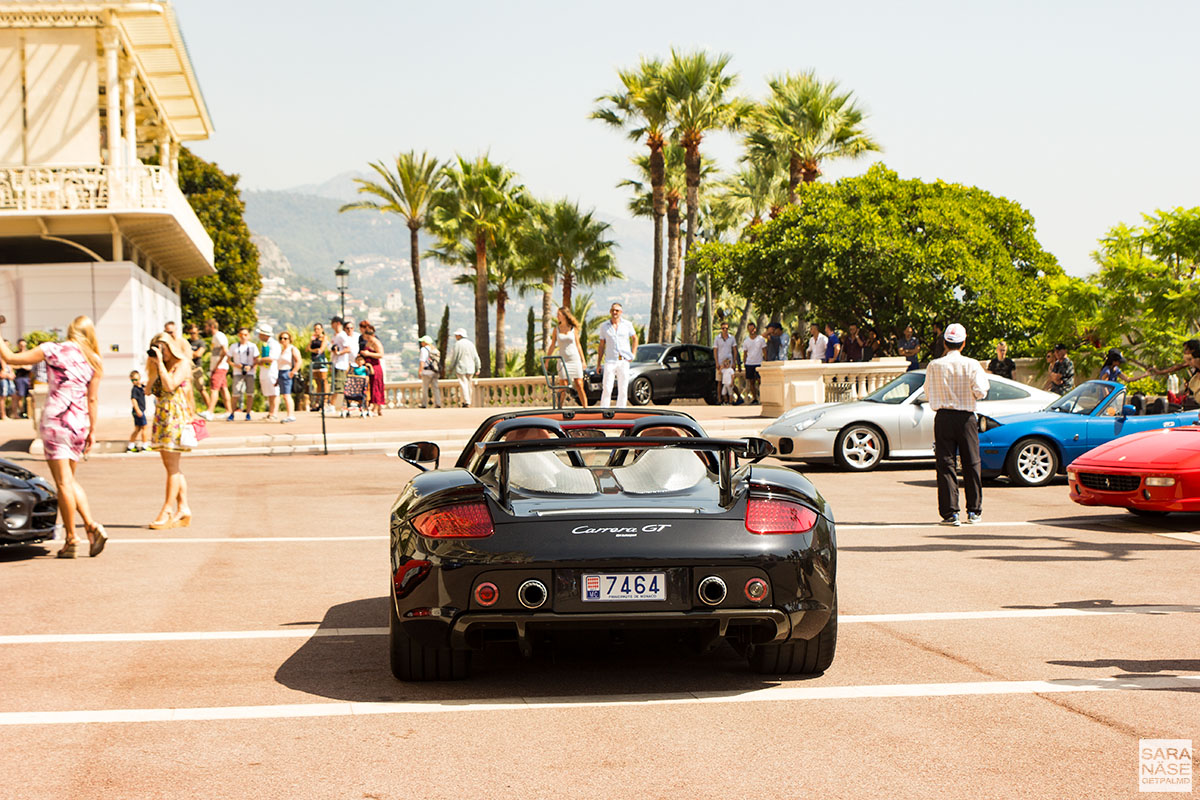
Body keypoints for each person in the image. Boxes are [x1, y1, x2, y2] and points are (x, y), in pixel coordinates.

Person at [0, 316, 106, 557]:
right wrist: (93, 430)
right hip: (79, 423)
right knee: (69, 480)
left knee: (63, 483)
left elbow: (11, 359)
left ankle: (72, 538)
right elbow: (92, 399)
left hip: (57, 421)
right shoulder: (95, 360)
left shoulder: (52, 349)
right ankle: (90, 526)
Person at [923, 323, 988, 527]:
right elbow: (981, 391)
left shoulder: (934, 365)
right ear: (963, 342)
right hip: (966, 417)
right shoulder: (972, 364)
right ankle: (974, 511)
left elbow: (927, 392)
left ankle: (950, 513)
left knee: (945, 464)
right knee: (972, 463)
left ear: (945, 342)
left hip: (942, 416)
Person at [145, 333, 194, 529]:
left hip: (175, 417)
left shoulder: (181, 364)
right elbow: (149, 390)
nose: (161, 353)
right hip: (163, 417)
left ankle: (167, 510)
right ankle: (183, 508)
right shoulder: (160, 366)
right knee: (171, 466)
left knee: (172, 467)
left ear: (170, 347)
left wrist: (162, 367)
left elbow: (170, 384)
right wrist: (153, 365)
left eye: (162, 349)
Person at [596, 302, 638, 408]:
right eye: (613, 310)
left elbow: (635, 338)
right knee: (607, 387)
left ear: (621, 312)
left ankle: (621, 410)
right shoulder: (604, 326)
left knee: (623, 388)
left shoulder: (627, 325)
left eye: (617, 310)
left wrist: (633, 354)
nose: (615, 312)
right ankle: (604, 409)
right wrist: (598, 363)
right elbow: (601, 345)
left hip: (623, 360)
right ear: (610, 311)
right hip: (610, 360)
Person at [545, 307, 587, 408]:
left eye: (559, 314)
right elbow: (552, 345)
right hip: (563, 361)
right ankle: (559, 407)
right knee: (563, 384)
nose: (557, 316)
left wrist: (583, 361)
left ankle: (585, 407)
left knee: (579, 384)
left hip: (574, 359)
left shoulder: (573, 329)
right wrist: (547, 360)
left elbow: (578, 345)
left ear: (564, 315)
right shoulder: (556, 330)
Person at [445, 328, 482, 407]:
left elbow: (454, 357)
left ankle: (466, 401)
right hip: (471, 368)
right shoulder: (471, 344)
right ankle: (469, 400)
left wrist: (451, 368)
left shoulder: (458, 344)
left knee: (463, 384)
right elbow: (476, 357)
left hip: (461, 367)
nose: (455, 336)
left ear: (459, 335)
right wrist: (478, 367)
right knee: (469, 384)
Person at [201, 318, 230, 420]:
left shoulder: (218, 336)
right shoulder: (216, 336)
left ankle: (210, 411)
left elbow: (225, 351)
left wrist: (217, 364)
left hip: (219, 367)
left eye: (207, 326)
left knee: (214, 389)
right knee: (223, 388)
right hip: (221, 366)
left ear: (212, 326)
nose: (205, 329)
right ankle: (228, 411)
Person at [227, 327, 257, 421]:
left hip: (250, 373)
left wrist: (251, 367)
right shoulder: (233, 346)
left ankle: (248, 413)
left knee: (250, 393)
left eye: (245, 335)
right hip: (237, 372)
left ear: (249, 336)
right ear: (238, 336)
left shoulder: (253, 346)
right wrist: (236, 365)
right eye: (241, 335)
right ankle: (232, 413)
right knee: (235, 393)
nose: (243, 337)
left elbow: (256, 360)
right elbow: (228, 360)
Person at [359, 322, 386, 416]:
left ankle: (376, 407)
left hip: (376, 367)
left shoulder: (376, 342)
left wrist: (368, 354)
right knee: (371, 386)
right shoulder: (368, 342)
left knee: (376, 387)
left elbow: (380, 354)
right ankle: (378, 408)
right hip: (369, 367)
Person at [255, 325, 281, 420]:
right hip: (265, 371)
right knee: (269, 393)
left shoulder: (274, 344)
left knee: (274, 392)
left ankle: (275, 413)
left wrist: (259, 360)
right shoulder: (265, 345)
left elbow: (271, 358)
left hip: (272, 371)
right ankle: (271, 412)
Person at [276, 330, 300, 423]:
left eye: (285, 338)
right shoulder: (282, 350)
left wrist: (293, 372)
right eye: (281, 338)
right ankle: (289, 414)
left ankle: (291, 415)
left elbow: (298, 361)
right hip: (281, 372)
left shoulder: (292, 349)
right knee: (284, 395)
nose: (283, 340)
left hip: (287, 371)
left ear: (289, 339)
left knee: (287, 395)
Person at [330, 317, 353, 413]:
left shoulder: (342, 335)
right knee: (336, 385)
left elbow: (348, 348)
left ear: (337, 323)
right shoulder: (336, 336)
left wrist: (339, 353)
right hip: (335, 363)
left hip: (341, 364)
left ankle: (335, 405)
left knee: (339, 386)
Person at [741, 322, 766, 404]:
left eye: (753, 329)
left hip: (759, 363)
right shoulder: (746, 341)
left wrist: (765, 361)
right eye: (750, 329)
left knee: (760, 381)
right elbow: (745, 353)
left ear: (755, 329)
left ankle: (763, 397)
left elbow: (764, 351)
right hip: (749, 363)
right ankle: (755, 398)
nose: (752, 331)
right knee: (751, 382)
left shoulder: (760, 339)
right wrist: (744, 363)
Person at [712, 320, 738, 398]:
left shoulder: (732, 338)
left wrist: (734, 362)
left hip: (729, 363)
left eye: (726, 328)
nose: (725, 330)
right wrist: (716, 362)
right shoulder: (717, 338)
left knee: (730, 381)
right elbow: (715, 351)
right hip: (720, 363)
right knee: (719, 382)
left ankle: (737, 396)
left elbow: (734, 350)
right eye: (723, 328)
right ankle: (719, 398)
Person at [308, 323, 329, 410]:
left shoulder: (324, 338)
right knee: (317, 382)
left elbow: (321, 349)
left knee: (324, 381)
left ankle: (325, 401)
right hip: (314, 361)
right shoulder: (313, 338)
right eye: (315, 329)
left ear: (322, 329)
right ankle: (317, 401)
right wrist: (312, 344)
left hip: (321, 361)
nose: (316, 331)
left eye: (318, 329)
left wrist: (316, 350)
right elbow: (308, 349)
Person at [417, 334, 442, 408]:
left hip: (427, 372)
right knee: (435, 387)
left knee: (425, 388)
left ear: (425, 342)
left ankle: (424, 404)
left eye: (422, 341)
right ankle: (438, 403)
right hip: (434, 371)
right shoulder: (434, 349)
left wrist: (420, 371)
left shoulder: (423, 349)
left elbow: (422, 361)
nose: (421, 343)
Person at [185, 323, 206, 403]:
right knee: (189, 390)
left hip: (197, 367)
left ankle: (210, 410)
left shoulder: (201, 342)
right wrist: (193, 354)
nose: (192, 335)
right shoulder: (187, 342)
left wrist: (189, 353)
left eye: (194, 333)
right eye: (190, 333)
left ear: (197, 332)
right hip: (188, 368)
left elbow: (198, 354)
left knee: (201, 389)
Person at [128, 370, 148, 452]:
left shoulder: (141, 387)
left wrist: (144, 385)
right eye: (132, 380)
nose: (135, 382)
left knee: (137, 429)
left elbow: (147, 389)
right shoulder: (135, 389)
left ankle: (131, 445)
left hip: (140, 410)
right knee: (144, 428)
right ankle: (145, 445)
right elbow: (134, 400)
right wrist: (138, 410)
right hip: (138, 411)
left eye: (136, 379)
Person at [12, 339, 31, 418]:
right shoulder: (15, 354)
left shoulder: (28, 354)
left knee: (28, 396)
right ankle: (21, 412)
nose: (23, 347)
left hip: (28, 377)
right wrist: (21, 366)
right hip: (19, 378)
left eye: (24, 345)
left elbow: (30, 366)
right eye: (21, 345)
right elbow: (12, 365)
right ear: (18, 345)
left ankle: (28, 413)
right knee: (19, 396)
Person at [0, 352, 14, 420]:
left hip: (7, 379)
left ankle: (5, 414)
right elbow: (2, 373)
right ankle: (3, 415)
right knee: (2, 398)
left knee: (7, 396)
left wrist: (11, 373)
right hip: (3, 379)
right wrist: (8, 375)